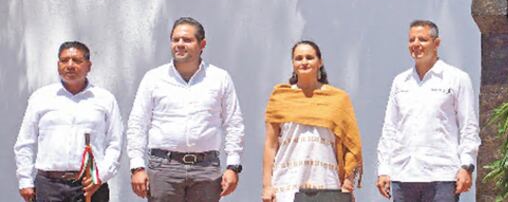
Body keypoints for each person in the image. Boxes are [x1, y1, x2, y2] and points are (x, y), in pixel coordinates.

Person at [127, 17, 244, 201]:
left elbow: (233, 123)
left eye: (187, 40)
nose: (179, 44)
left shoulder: (219, 78)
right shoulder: (154, 78)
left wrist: (233, 166)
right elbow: (137, 124)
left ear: (202, 44)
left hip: (206, 168)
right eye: (175, 39)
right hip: (163, 168)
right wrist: (137, 166)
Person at [376, 20, 481, 202]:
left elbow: (468, 127)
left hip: (442, 175)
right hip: (404, 175)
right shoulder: (400, 82)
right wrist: (384, 169)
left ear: (436, 43)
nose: (416, 44)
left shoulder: (457, 79)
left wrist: (466, 165)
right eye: (411, 40)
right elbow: (390, 129)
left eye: (422, 39)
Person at [14, 41, 124, 202]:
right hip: (49, 186)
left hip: (90, 186)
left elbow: (116, 143)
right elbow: (25, 143)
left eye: (77, 60)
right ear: (58, 65)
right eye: (64, 60)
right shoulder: (41, 97)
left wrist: (100, 176)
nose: (70, 65)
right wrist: (25, 180)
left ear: (89, 65)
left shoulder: (105, 99)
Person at [262, 40, 363, 201]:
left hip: (327, 183)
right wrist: (267, 186)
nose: (304, 62)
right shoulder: (280, 97)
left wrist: (347, 183)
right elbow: (271, 144)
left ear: (320, 62)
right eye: (299, 58)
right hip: (286, 183)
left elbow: (351, 146)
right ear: (293, 63)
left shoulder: (338, 100)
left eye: (309, 57)